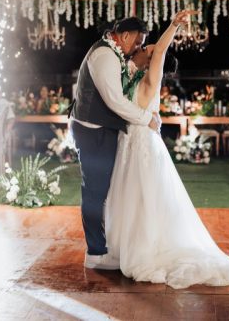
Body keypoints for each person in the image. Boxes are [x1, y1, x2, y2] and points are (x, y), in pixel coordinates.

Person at [105, 10, 229, 289]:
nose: (143, 49)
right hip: (129, 142)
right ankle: (124, 248)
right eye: (143, 47)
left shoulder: (151, 77)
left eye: (147, 49)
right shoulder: (132, 75)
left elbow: (160, 49)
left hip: (143, 144)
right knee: (131, 199)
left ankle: (144, 251)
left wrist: (173, 26)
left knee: (145, 199)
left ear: (154, 60)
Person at [70, 16, 161, 270]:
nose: (138, 48)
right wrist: (146, 119)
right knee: (94, 191)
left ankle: (105, 246)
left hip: (101, 129)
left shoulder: (113, 54)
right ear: (125, 36)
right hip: (92, 131)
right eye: (138, 42)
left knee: (105, 190)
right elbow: (114, 100)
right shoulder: (104, 55)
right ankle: (95, 253)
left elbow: (118, 85)